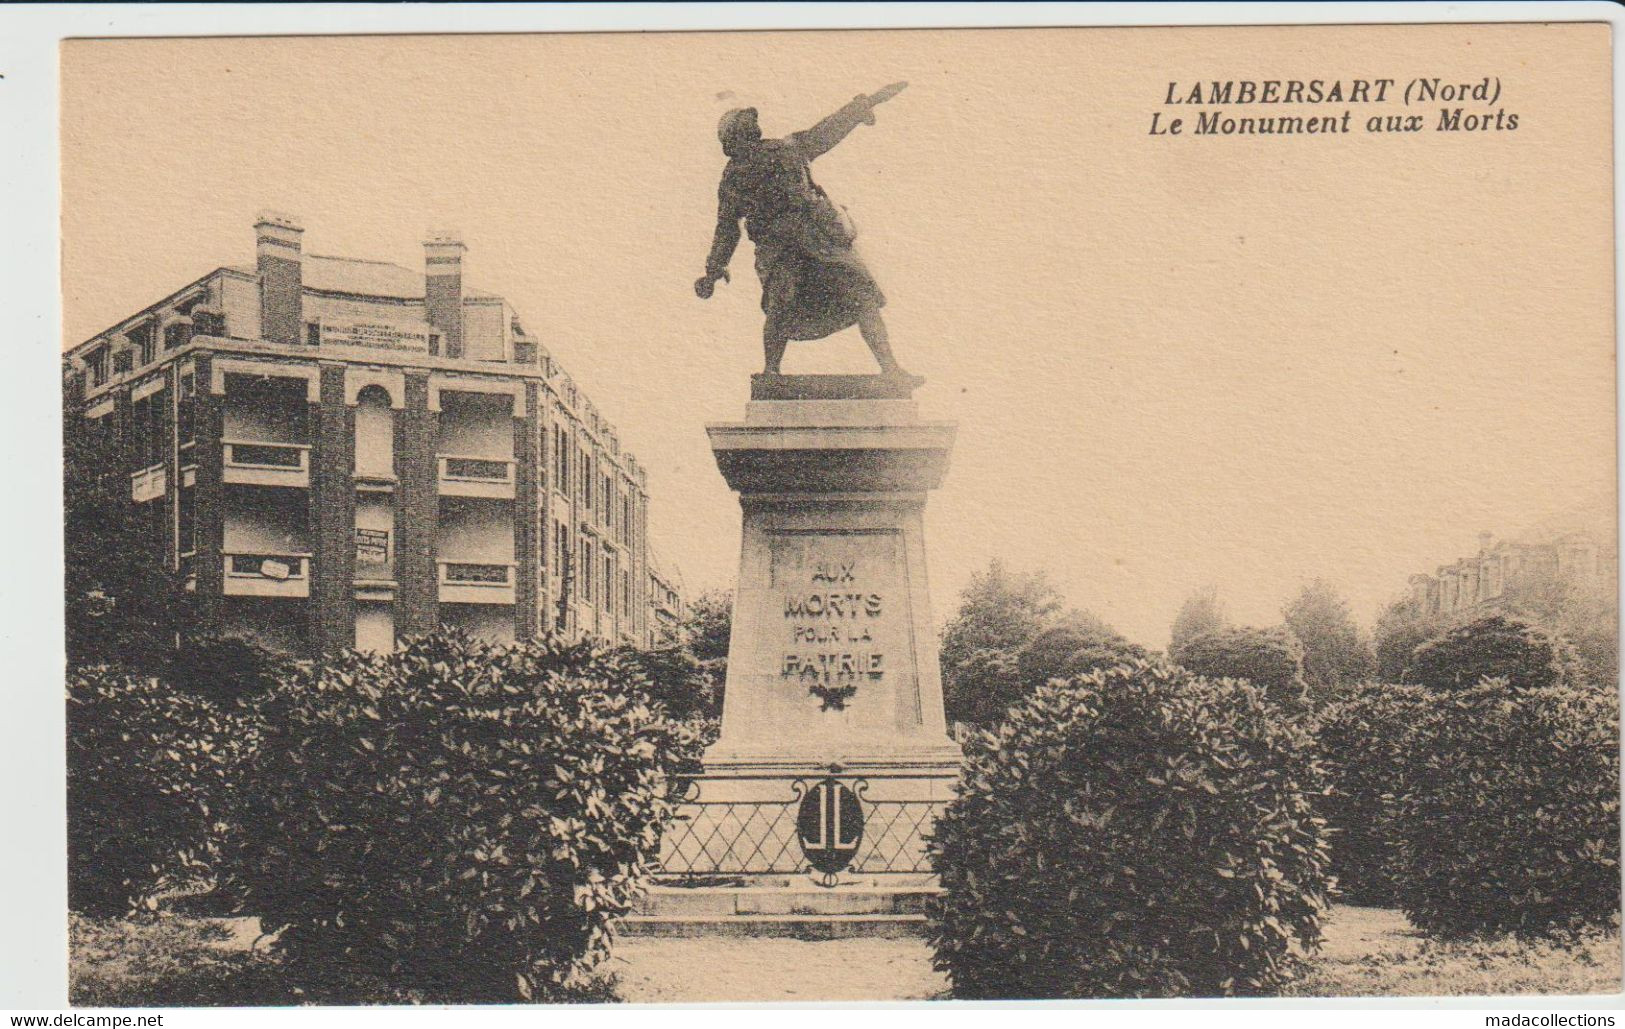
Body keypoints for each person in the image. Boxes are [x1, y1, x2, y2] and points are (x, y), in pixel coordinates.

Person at [694, 83, 916, 379]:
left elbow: (826, 132)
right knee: (780, 305)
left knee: (862, 296)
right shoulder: (733, 178)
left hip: (821, 240)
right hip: (780, 248)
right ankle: (771, 373)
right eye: (745, 129)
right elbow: (726, 228)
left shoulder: (788, 149)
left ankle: (891, 370)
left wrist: (861, 107)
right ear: (733, 141)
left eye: (751, 127)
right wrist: (714, 268)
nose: (752, 132)